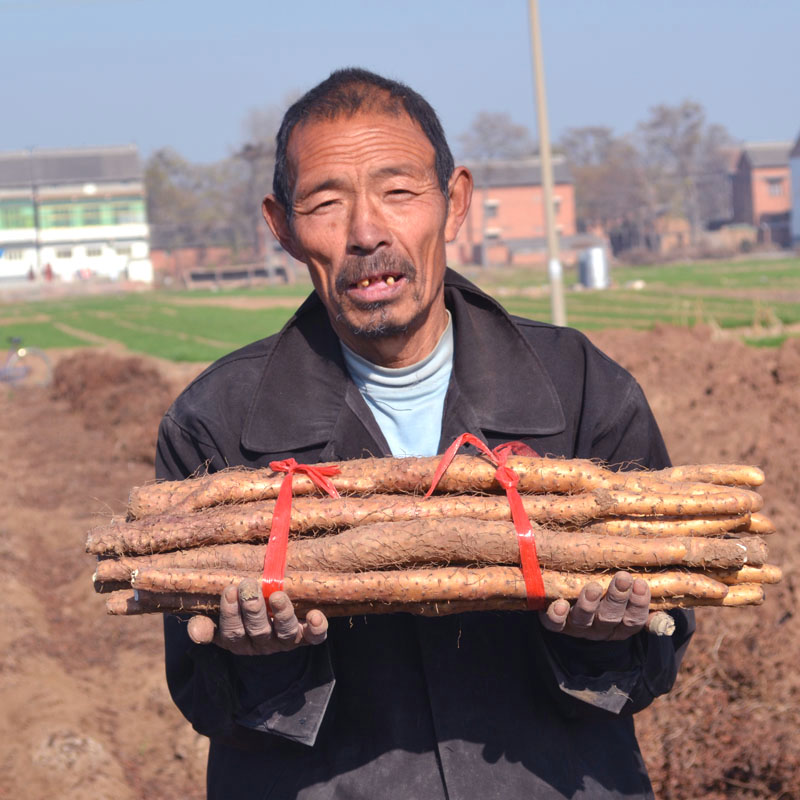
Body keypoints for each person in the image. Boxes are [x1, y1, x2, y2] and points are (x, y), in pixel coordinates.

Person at [157, 68, 694, 800]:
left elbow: (661, 646)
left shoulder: (581, 387)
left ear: (456, 201)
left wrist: (602, 641)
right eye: (325, 203)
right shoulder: (216, 425)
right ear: (281, 228)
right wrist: (262, 661)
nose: (367, 232)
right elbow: (202, 698)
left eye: (399, 192)